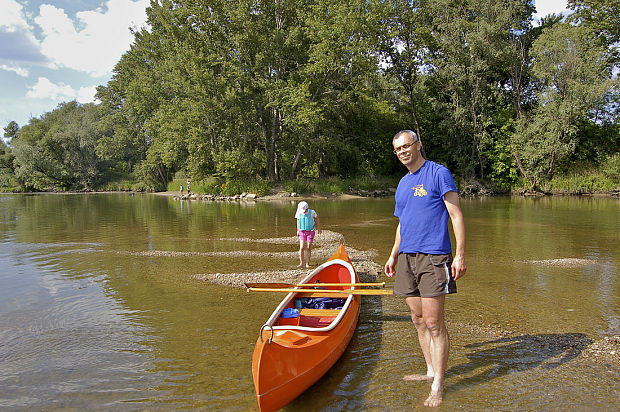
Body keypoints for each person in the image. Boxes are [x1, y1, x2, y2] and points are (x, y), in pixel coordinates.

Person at [384, 129, 466, 407]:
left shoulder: (438, 173)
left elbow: (455, 214)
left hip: (434, 256)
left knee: (434, 323)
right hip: (407, 257)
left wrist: (460, 256)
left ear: (418, 145)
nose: (403, 151)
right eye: (398, 149)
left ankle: (439, 385)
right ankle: (430, 370)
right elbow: (402, 222)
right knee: (417, 319)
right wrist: (393, 255)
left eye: (407, 146)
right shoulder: (402, 183)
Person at [295, 201, 321, 268]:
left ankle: (307, 263)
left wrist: (319, 229)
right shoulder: (299, 212)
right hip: (302, 231)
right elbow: (297, 220)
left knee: (308, 247)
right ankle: (301, 263)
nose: (303, 211)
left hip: (310, 231)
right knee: (301, 247)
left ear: (307, 208)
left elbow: (317, 218)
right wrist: (297, 230)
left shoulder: (312, 212)